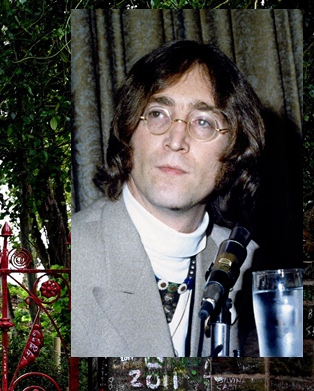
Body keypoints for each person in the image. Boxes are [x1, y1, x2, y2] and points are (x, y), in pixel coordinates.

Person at [72, 40, 264, 357]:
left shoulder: (251, 266)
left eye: (203, 121)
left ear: (234, 151)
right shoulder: (74, 255)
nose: (176, 141)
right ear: (128, 131)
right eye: (158, 114)